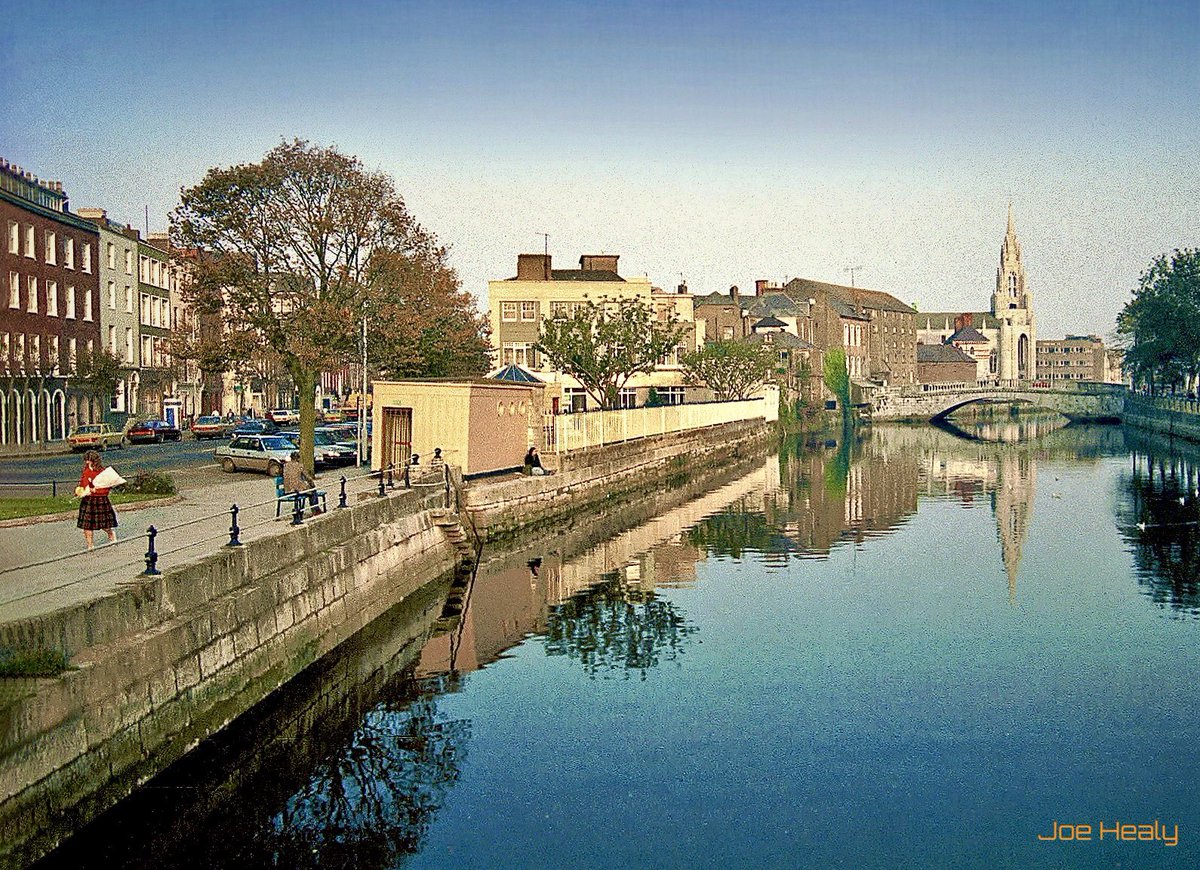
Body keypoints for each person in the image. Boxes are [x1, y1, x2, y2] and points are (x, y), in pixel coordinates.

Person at [77, 450, 118, 550]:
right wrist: (80, 490)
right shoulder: (86, 471)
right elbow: (83, 482)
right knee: (87, 525)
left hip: (100, 499)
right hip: (88, 499)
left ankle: (111, 533)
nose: (87, 462)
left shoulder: (102, 472)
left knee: (104, 524)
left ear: (93, 461)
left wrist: (97, 490)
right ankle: (90, 545)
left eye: (88, 460)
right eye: (86, 460)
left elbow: (107, 486)